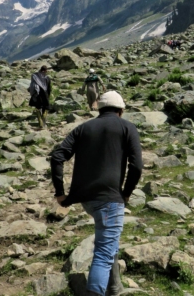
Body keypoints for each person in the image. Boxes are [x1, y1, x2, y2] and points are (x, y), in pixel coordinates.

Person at [50, 91, 143, 296]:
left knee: (108, 244)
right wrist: (126, 194)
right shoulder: (127, 127)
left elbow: (57, 157)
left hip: (87, 200)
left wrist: (60, 193)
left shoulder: (82, 128)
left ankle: (114, 288)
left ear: (99, 109)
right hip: (109, 200)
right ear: (120, 111)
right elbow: (136, 167)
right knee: (103, 253)